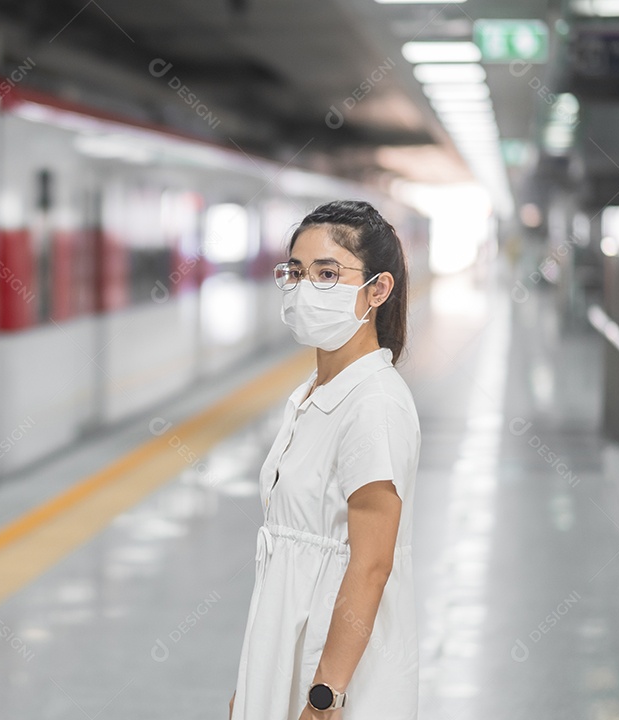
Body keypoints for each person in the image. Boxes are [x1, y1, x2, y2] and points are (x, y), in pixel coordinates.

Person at [228, 200, 420, 719]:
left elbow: (372, 563)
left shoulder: (374, 403)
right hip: (286, 661)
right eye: (295, 272)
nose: (304, 288)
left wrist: (325, 694)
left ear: (378, 290)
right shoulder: (313, 393)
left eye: (328, 273)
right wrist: (252, 684)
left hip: (335, 680)